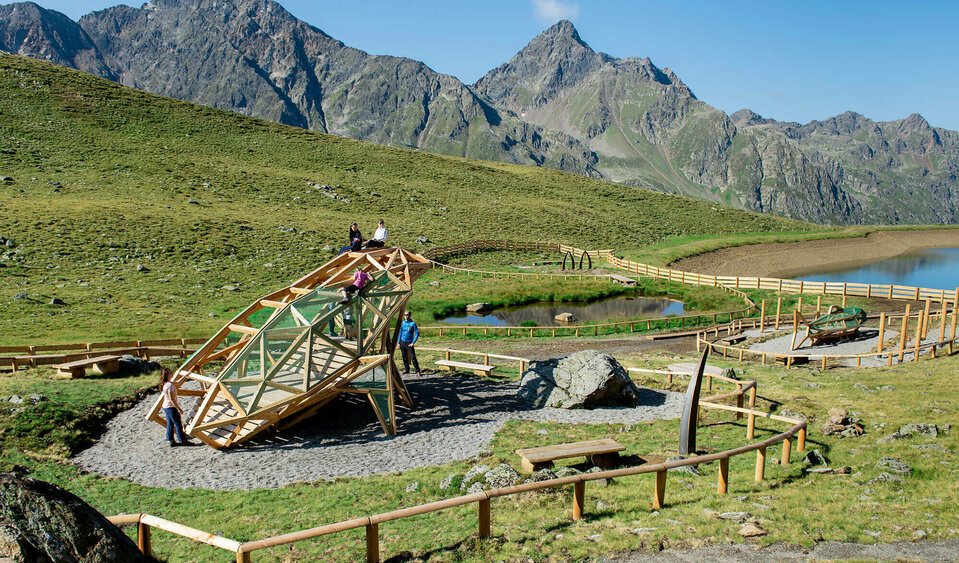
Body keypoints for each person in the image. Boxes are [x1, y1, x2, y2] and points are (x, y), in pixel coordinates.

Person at [159, 368, 193, 447]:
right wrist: (178, 408)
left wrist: (185, 376)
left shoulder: (166, 383)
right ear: (167, 375)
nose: (172, 373)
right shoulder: (170, 385)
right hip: (171, 407)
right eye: (171, 373)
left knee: (170, 424)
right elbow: (172, 399)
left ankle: (171, 440)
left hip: (166, 407)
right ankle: (183, 441)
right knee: (178, 424)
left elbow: (178, 383)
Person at [398, 311, 421, 375]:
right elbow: (400, 333)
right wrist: (398, 343)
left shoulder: (413, 323)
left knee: (413, 357)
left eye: (407, 315)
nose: (406, 316)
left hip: (409, 342)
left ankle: (417, 370)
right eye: (405, 315)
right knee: (404, 356)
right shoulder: (403, 323)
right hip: (402, 341)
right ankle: (406, 369)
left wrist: (413, 342)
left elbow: (417, 333)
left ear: (410, 315)